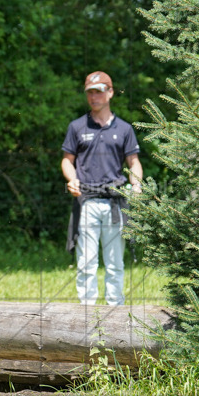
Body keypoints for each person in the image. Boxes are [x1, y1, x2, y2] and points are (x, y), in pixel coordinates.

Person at [61, 71, 143, 306]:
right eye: (90, 92)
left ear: (110, 92)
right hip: (86, 201)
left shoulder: (125, 129)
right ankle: (86, 312)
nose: (93, 97)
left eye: (98, 91)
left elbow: (134, 162)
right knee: (86, 262)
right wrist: (71, 179)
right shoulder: (77, 127)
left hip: (115, 203)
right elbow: (67, 160)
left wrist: (135, 184)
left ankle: (115, 310)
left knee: (115, 262)